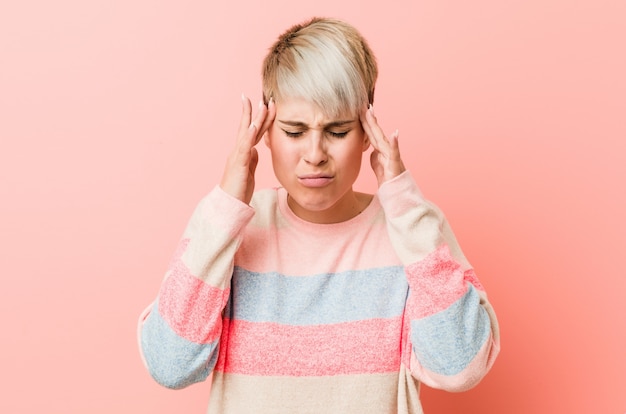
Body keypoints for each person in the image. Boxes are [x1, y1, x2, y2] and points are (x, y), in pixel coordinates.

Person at [138, 16, 500, 413]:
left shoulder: (410, 229)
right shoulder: (229, 230)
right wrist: (225, 206)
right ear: (265, 131)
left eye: (338, 131)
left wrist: (406, 207)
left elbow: (460, 366)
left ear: (367, 130)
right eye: (294, 132)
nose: (314, 154)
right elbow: (170, 365)